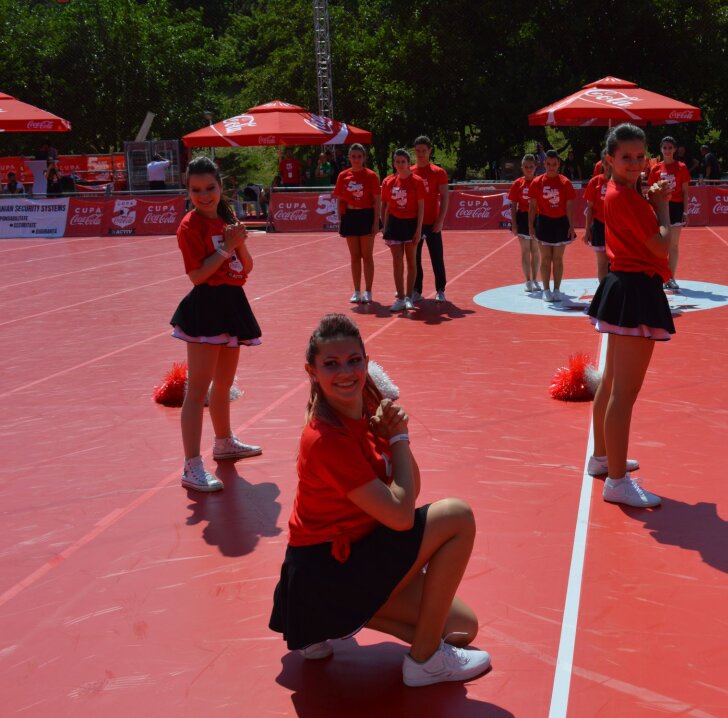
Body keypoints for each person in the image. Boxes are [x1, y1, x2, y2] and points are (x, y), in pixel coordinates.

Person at [268, 314, 491, 684]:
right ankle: (424, 661)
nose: (346, 372)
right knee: (457, 516)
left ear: (367, 363)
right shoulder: (325, 438)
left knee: (462, 628)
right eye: (331, 364)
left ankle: (327, 621)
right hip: (327, 572)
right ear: (312, 371)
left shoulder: (366, 417)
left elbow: (410, 487)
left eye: (354, 360)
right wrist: (400, 437)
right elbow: (402, 518)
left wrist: (394, 437)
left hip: (353, 560)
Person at [586, 123, 674, 508]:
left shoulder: (619, 191)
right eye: (627, 158)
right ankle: (617, 481)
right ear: (609, 159)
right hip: (636, 289)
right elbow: (659, 247)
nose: (636, 163)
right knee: (625, 392)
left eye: (641, 157)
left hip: (624, 286)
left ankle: (603, 459)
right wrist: (663, 207)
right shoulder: (623, 196)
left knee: (611, 384)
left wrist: (646, 199)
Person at [169, 157, 262, 493]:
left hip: (232, 304)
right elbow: (196, 275)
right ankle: (191, 466)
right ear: (188, 191)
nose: (204, 195)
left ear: (221, 187)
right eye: (196, 190)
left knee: (223, 384)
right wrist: (226, 248)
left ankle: (224, 442)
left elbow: (246, 268)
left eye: (210, 188)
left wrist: (239, 243)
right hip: (206, 306)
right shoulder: (189, 227)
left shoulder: (228, 217)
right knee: (197, 392)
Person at [335, 143, 382, 305]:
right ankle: (356, 291)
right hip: (350, 216)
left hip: (366, 215)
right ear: (349, 157)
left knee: (367, 256)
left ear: (364, 158)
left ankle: (368, 291)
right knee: (355, 256)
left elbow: (377, 200)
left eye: (359, 156)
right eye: (353, 156)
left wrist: (376, 222)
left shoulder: (371, 176)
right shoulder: (343, 176)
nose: (356, 159)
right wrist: (340, 219)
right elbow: (339, 199)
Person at [380, 149, 425, 313]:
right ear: (394, 163)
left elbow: (421, 206)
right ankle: (399, 297)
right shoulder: (389, 182)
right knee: (397, 261)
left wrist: (418, 229)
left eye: (403, 161)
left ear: (408, 163)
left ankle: (408, 297)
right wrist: (384, 226)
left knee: (411, 261)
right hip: (394, 223)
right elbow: (385, 205)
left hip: (411, 223)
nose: (400, 164)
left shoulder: (417, 181)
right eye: (397, 161)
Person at [529, 150, 575, 301]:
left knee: (558, 259)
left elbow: (569, 206)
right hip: (544, 222)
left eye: (554, 164)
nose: (551, 167)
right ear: (544, 164)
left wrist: (571, 225)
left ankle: (557, 289)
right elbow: (533, 206)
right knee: (546, 258)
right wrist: (531, 225)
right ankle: (546, 290)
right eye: (548, 164)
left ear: (558, 165)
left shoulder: (565, 183)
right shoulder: (537, 182)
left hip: (561, 223)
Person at [647, 136, 690, 291]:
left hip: (676, 207)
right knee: (659, 244)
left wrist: (685, 211)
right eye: (664, 148)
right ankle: (658, 274)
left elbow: (685, 191)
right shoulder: (655, 169)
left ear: (674, 149)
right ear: (661, 149)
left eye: (670, 148)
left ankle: (671, 277)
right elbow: (651, 191)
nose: (667, 150)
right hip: (660, 207)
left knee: (673, 244)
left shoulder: (682, 167)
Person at [411, 136, 450, 304]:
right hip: (415, 223)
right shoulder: (409, 171)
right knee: (415, 258)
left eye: (424, 151)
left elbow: (445, 197)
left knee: (437, 257)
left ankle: (440, 290)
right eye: (418, 151)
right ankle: (416, 290)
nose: (420, 154)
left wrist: (440, 220)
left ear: (430, 151)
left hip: (433, 223)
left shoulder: (438, 172)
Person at [507, 154, 541, 293]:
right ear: (522, 168)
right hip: (522, 218)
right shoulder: (517, 183)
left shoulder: (540, 182)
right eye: (526, 167)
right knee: (525, 251)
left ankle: (535, 279)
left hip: (538, 218)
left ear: (535, 168)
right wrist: (514, 224)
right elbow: (513, 206)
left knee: (536, 251)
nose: (528, 169)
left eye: (531, 167)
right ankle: (527, 280)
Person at [582, 158, 610, 283]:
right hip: (599, 225)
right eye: (606, 162)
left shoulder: (621, 180)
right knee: (602, 262)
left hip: (617, 226)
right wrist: (587, 230)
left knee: (616, 263)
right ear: (602, 163)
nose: (609, 165)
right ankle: (604, 292)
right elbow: (590, 208)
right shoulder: (595, 182)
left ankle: (616, 292)